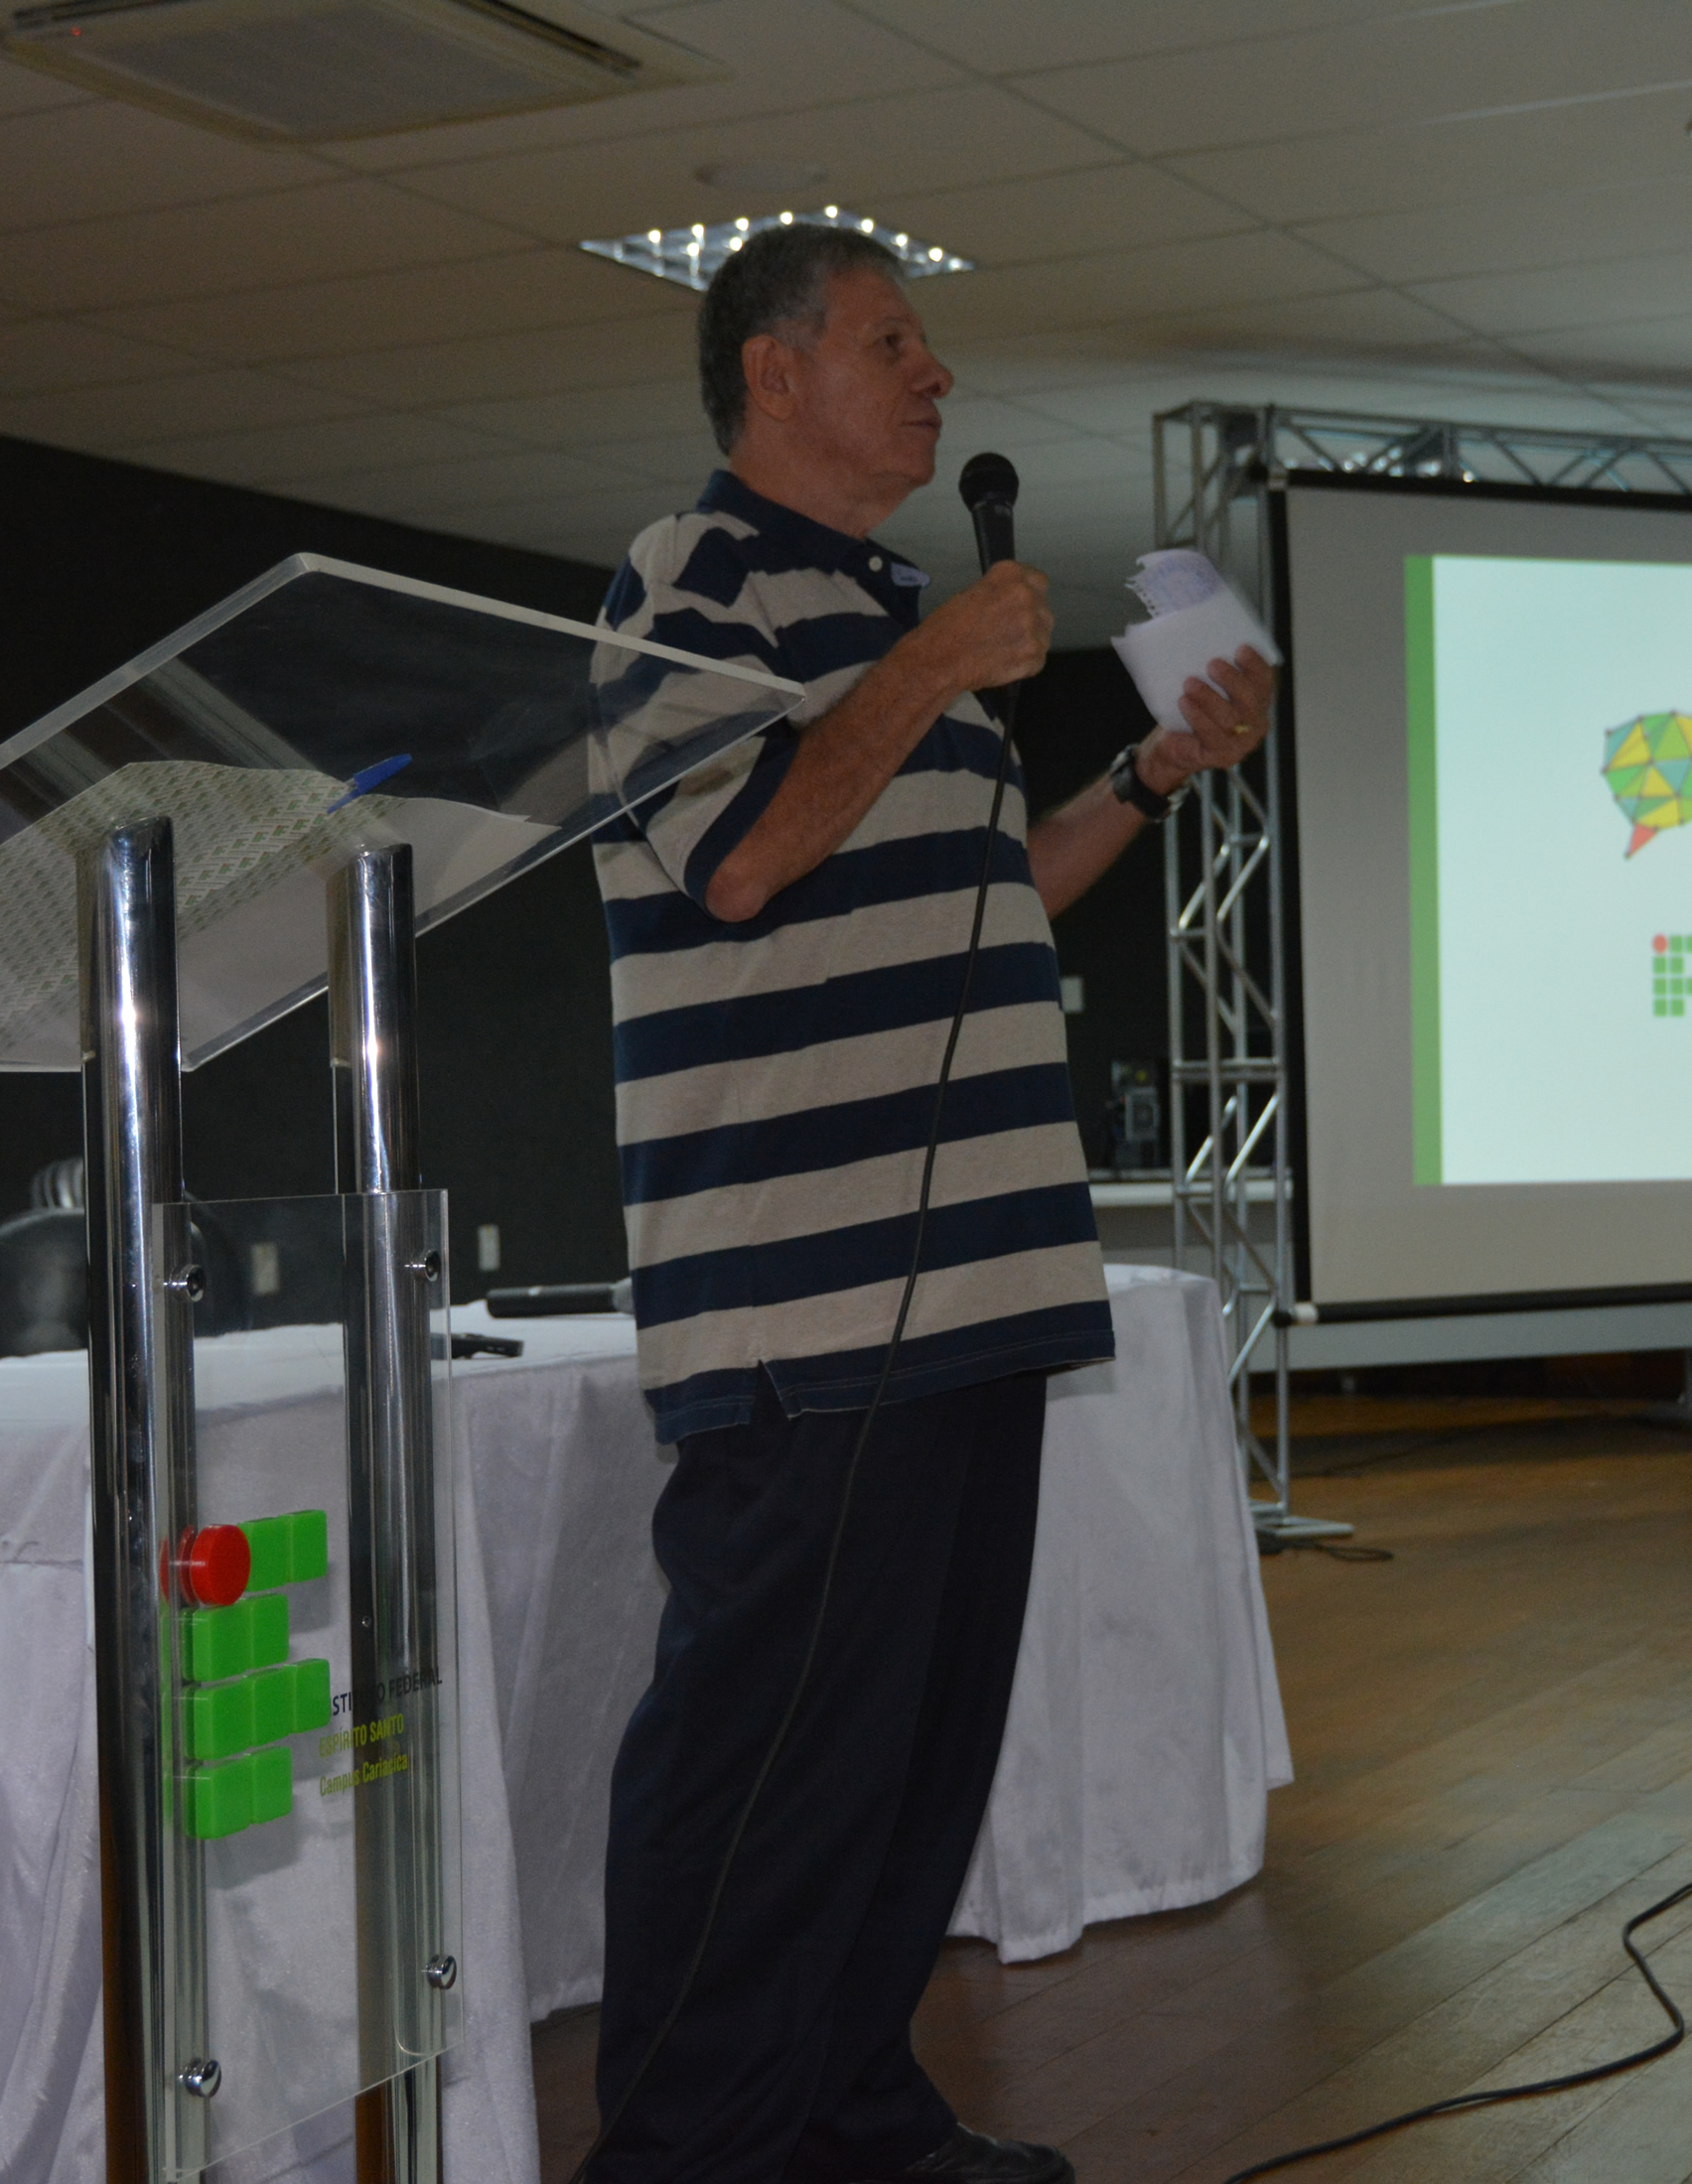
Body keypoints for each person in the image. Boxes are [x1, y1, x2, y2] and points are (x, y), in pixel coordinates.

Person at [582, 220, 1275, 2184]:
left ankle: (848, 2112)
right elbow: (738, 859)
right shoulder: (690, 576)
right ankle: (685, 2154)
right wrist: (929, 665)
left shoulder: (893, 618)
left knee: (907, 1755)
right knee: (764, 1758)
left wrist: (1149, 770)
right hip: (805, 1299)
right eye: (893, 342)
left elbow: (994, 894)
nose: (936, 376)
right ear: (775, 372)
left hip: (974, 1278)